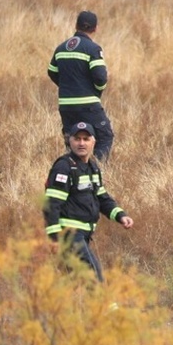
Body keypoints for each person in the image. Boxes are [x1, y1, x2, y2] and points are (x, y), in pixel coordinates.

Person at [43, 121, 134, 282]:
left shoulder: (92, 167)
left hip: (84, 234)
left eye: (86, 139)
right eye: (77, 139)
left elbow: (102, 198)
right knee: (92, 274)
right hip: (69, 233)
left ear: (94, 142)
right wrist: (55, 238)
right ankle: (104, 307)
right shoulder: (64, 167)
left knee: (79, 279)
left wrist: (120, 215)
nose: (81, 143)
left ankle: (76, 306)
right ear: (69, 141)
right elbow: (52, 205)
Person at [48, 10, 115, 161]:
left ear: (76, 26)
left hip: (66, 105)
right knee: (104, 136)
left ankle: (73, 171)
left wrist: (66, 86)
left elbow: (52, 71)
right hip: (88, 104)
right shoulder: (93, 49)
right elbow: (100, 77)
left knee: (74, 140)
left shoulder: (61, 48)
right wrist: (96, 91)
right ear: (95, 28)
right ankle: (95, 171)